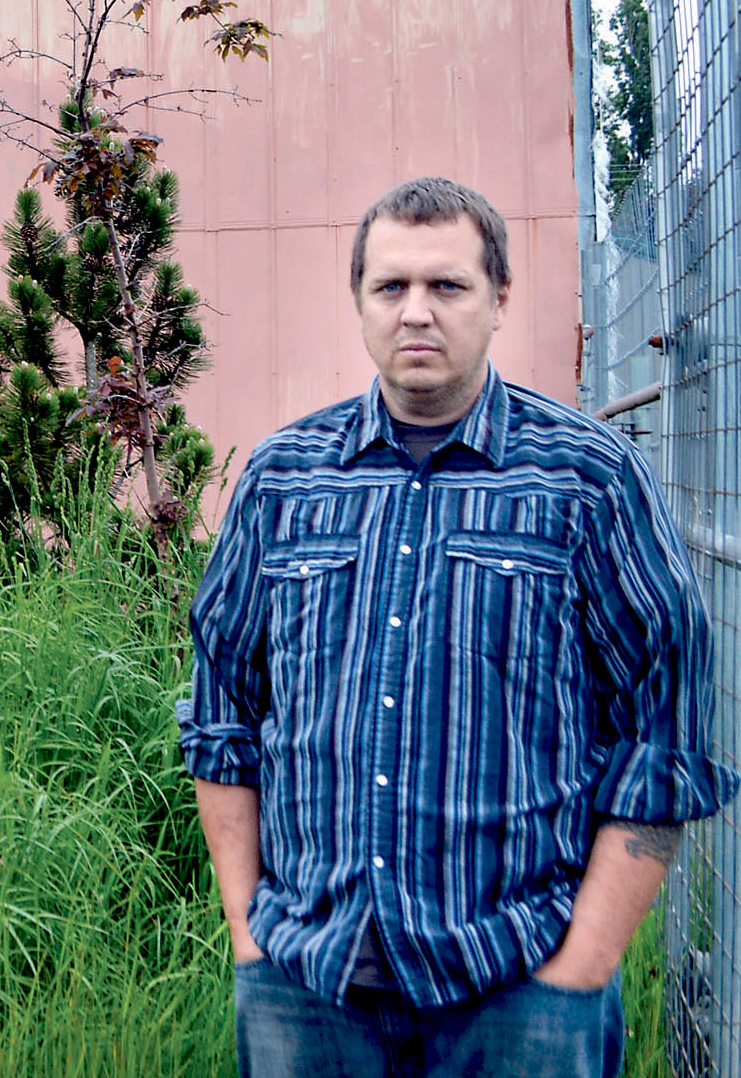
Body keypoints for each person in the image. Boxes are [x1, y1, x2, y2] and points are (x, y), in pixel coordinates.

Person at [178, 176, 736, 1078]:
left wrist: (580, 971)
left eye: (447, 287)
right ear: (358, 300)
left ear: (498, 298)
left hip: (518, 990)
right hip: (307, 986)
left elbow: (663, 727)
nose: (416, 314)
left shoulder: (585, 481)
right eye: (390, 287)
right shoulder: (284, 483)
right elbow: (222, 716)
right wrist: (249, 941)